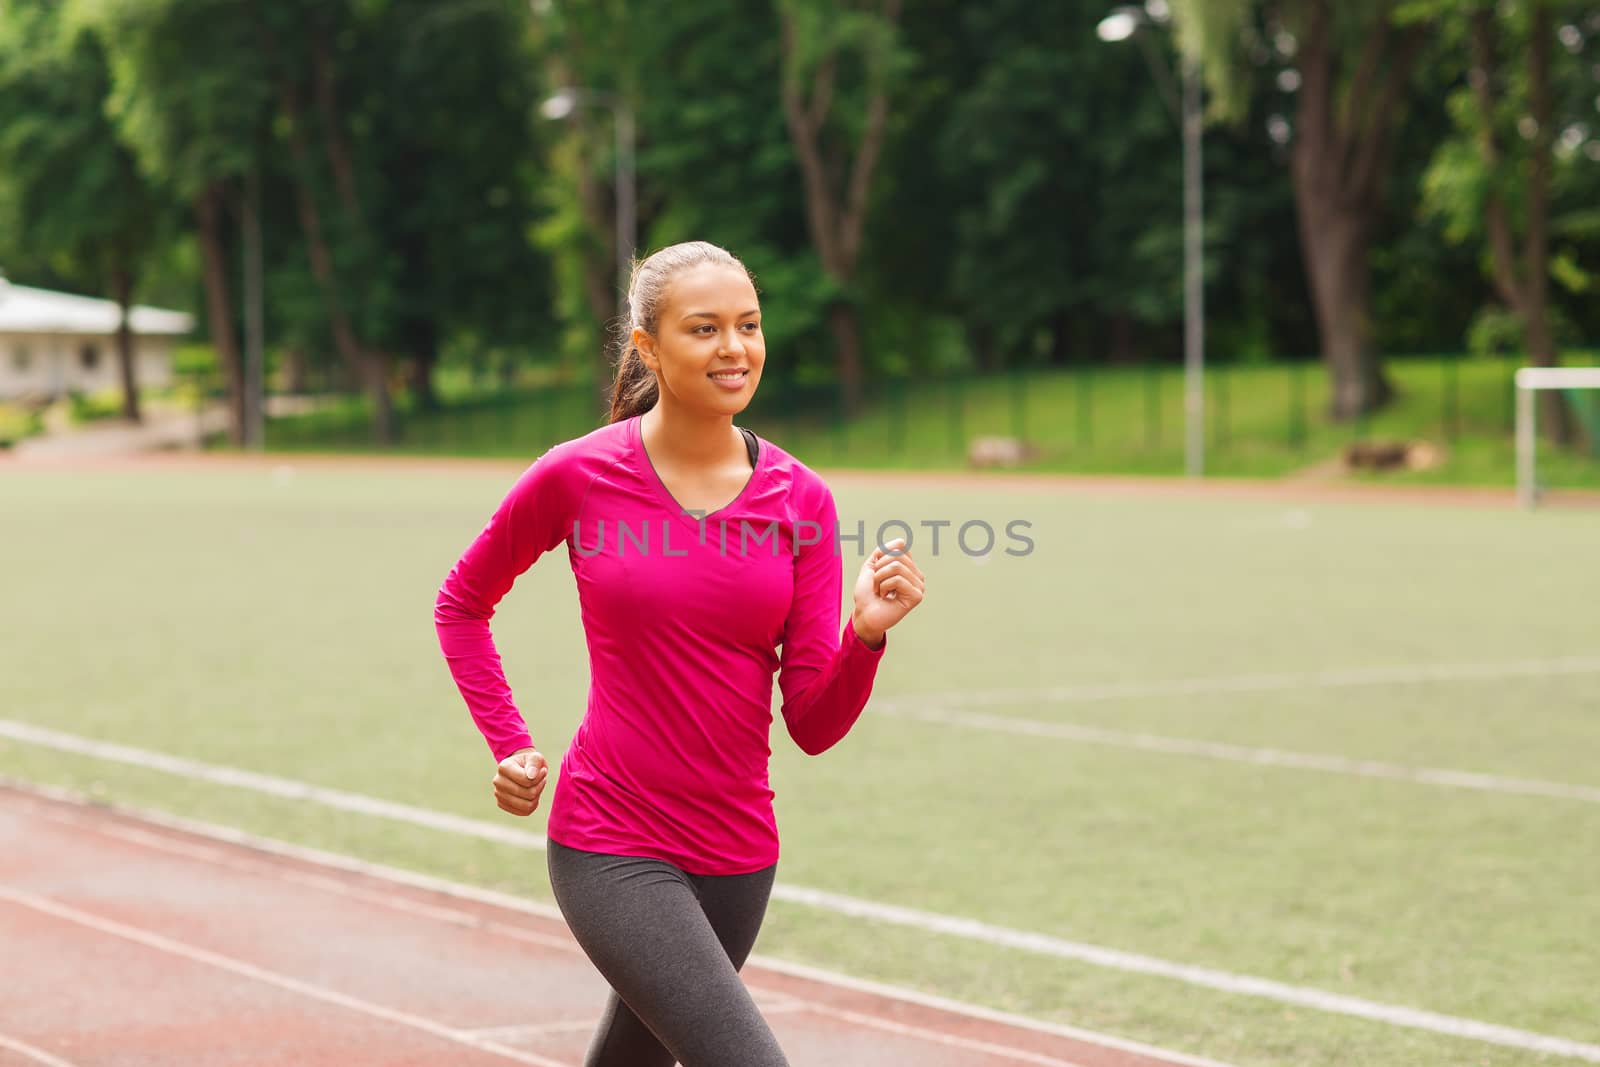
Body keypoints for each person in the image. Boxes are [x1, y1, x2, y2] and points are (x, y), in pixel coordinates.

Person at [433, 239, 925, 1067]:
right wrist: (509, 740)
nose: (734, 349)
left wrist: (866, 635)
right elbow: (463, 604)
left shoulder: (802, 499)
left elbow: (810, 721)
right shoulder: (577, 475)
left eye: (749, 326)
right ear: (648, 348)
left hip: (739, 853)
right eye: (705, 328)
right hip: (610, 838)